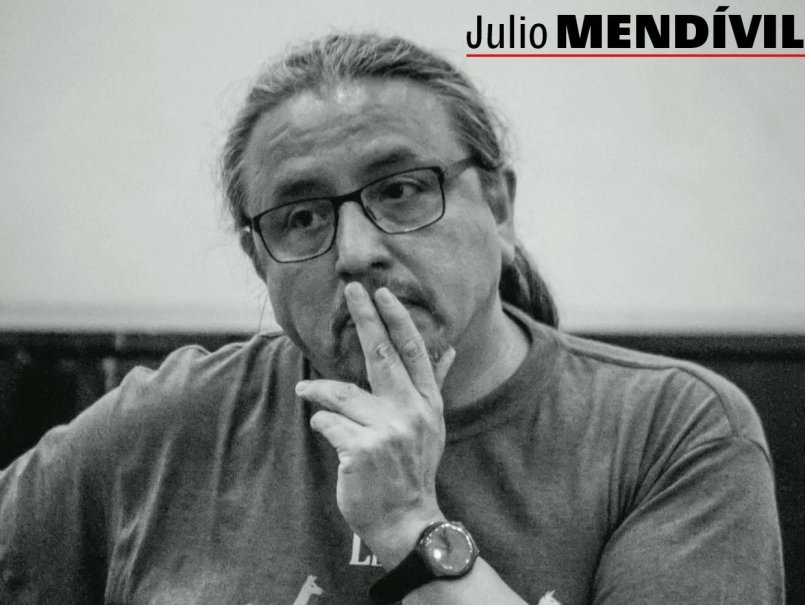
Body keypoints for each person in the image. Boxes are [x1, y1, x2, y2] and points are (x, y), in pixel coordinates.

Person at [0, 33, 783, 604]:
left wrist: (411, 524)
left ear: (498, 205)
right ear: (258, 259)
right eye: (302, 217)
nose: (355, 251)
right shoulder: (164, 427)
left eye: (401, 190)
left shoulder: (668, 428)